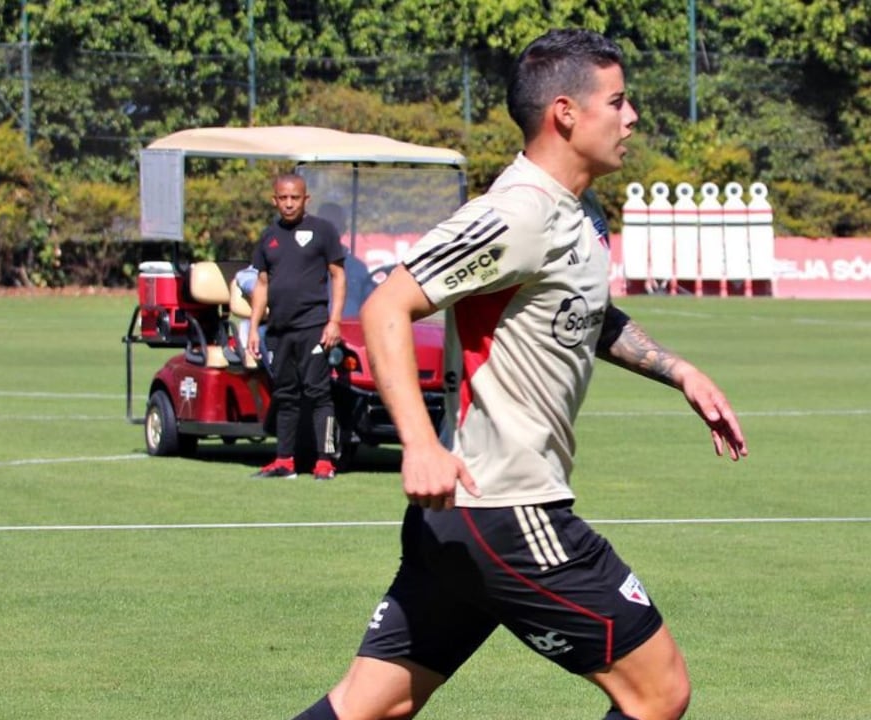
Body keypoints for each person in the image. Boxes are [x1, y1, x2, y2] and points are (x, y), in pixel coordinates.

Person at [291, 29, 747, 720]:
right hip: (507, 508)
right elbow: (388, 304)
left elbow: (587, 313)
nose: (632, 119)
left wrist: (680, 371)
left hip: (464, 519)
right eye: (618, 102)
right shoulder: (517, 213)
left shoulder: (578, 213)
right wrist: (418, 443)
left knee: (368, 706)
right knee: (659, 691)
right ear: (566, 112)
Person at [247, 174, 347, 481]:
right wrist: (254, 328)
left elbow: (338, 277)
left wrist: (334, 320)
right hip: (279, 331)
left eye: (295, 198)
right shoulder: (268, 237)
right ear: (274, 200)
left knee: (318, 394)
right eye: (283, 198)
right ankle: (284, 461)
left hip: (313, 327)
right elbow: (262, 284)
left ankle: (325, 462)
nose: (289, 203)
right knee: (285, 395)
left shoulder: (323, 231)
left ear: (306, 200)